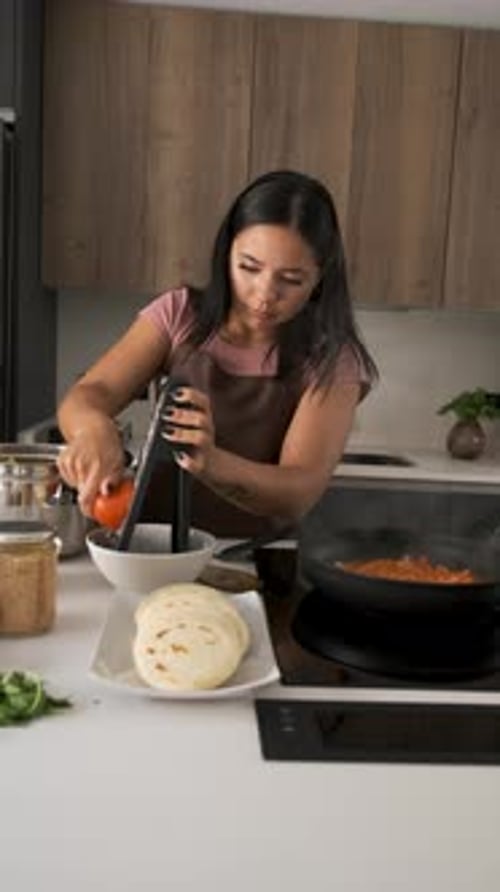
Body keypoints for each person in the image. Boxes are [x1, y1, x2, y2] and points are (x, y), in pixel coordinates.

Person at [57, 170, 378, 538]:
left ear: (321, 276)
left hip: (252, 558)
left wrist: (213, 464)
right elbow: (91, 393)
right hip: (154, 545)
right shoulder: (179, 313)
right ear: (226, 253)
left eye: (291, 279)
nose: (264, 294)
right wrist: (94, 429)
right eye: (249, 267)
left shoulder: (333, 358)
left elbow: (297, 493)